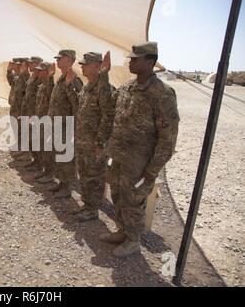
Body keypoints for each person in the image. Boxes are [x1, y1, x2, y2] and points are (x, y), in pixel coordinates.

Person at [99, 42, 180, 258]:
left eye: (135, 59)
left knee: (134, 202)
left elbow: (168, 139)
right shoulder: (127, 88)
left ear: (150, 62)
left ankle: (133, 240)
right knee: (117, 196)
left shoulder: (162, 94)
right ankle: (122, 231)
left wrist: (152, 171)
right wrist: (104, 76)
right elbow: (108, 107)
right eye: (130, 58)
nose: (130, 62)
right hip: (119, 159)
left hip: (140, 165)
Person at [69, 52, 114, 222]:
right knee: (85, 174)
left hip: (95, 143)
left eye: (85, 64)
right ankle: (87, 205)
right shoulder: (87, 88)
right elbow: (82, 112)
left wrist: (101, 142)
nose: (82, 67)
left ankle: (93, 209)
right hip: (83, 140)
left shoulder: (104, 89)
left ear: (97, 66)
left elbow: (108, 116)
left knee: (95, 177)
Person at [45, 49, 83, 199]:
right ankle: (61, 182)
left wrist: (74, 128)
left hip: (66, 125)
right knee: (59, 155)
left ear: (69, 59)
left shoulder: (73, 80)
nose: (57, 61)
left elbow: (78, 105)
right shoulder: (61, 78)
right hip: (57, 125)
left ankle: (67, 187)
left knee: (66, 157)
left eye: (60, 58)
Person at [33, 62, 55, 183]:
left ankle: (49, 174)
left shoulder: (50, 86)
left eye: (41, 70)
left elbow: (51, 95)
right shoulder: (41, 86)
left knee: (47, 150)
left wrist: (51, 77)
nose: (38, 72)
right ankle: (44, 170)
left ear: (47, 72)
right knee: (41, 147)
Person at [21, 56, 43, 169]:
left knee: (36, 140)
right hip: (29, 113)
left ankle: (39, 163)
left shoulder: (40, 78)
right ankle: (35, 160)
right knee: (31, 139)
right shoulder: (32, 78)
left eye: (32, 63)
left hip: (36, 114)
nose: (29, 65)